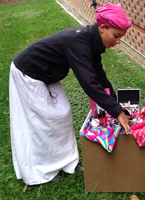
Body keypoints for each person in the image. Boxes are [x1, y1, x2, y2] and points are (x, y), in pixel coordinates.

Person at [9, 3, 132, 185]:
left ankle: (66, 163)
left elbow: (100, 79)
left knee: (63, 113)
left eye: (120, 37)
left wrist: (118, 108)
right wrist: (117, 112)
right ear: (103, 27)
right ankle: (42, 172)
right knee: (45, 120)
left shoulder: (92, 42)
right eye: (116, 35)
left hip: (48, 74)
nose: (118, 41)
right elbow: (89, 83)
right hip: (29, 72)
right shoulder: (79, 42)